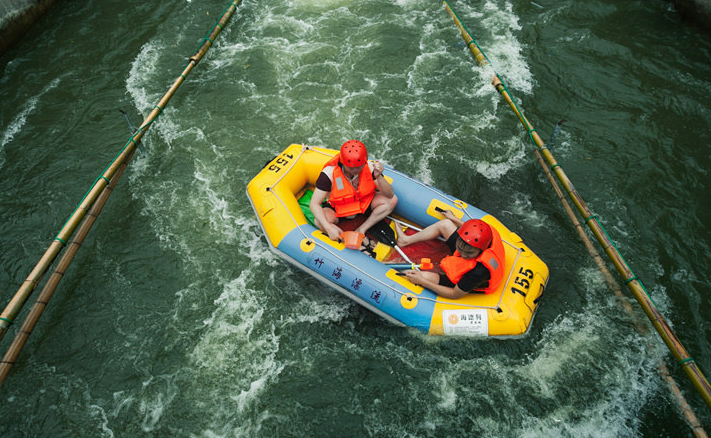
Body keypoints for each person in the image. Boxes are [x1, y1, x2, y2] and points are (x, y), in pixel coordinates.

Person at [397, 210, 505, 299]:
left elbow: (455, 294)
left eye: (468, 253)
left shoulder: (479, 271)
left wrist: (423, 281)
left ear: (482, 250)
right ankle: (405, 240)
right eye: (460, 248)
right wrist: (453, 218)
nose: (463, 254)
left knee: (419, 275)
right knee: (445, 224)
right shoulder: (480, 237)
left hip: (464, 279)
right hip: (471, 250)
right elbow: (469, 230)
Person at [310, 140, 398, 241]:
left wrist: (379, 177)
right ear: (343, 163)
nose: (356, 171)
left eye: (359, 167)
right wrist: (328, 228)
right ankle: (345, 238)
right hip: (338, 208)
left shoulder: (369, 167)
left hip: (363, 203)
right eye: (351, 168)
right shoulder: (328, 174)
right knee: (319, 221)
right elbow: (314, 204)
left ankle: (361, 229)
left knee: (392, 200)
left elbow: (390, 194)